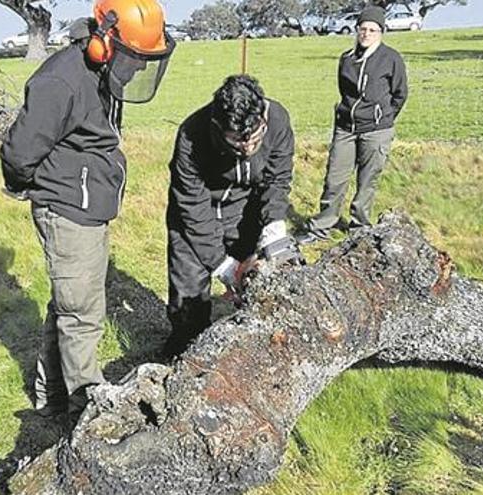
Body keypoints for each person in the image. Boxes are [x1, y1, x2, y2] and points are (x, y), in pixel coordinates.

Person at [0, 0, 175, 421]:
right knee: (83, 314)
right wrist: (41, 192)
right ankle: (87, 409)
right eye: (133, 57)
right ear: (103, 41)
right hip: (67, 209)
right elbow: (19, 152)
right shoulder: (61, 81)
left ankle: (51, 394)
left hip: (89, 205)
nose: (135, 68)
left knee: (69, 301)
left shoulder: (102, 72)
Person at [163, 75, 303, 359]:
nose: (248, 147)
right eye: (237, 141)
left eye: (255, 138)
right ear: (217, 127)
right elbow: (191, 204)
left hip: (245, 211)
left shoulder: (277, 120)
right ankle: (185, 358)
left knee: (259, 287)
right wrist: (223, 266)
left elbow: (276, 180)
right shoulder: (192, 134)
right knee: (188, 303)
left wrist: (273, 229)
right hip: (195, 216)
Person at [297, 6, 408, 244]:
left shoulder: (391, 58)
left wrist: (383, 117)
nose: (367, 34)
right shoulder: (346, 59)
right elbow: (344, 91)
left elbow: (400, 94)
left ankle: (359, 227)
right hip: (345, 128)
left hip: (377, 130)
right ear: (357, 30)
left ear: (381, 32)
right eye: (363, 29)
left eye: (372, 30)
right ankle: (322, 226)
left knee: (368, 180)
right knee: (334, 179)